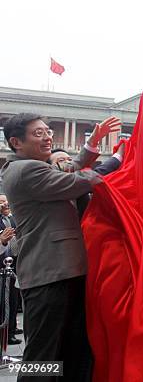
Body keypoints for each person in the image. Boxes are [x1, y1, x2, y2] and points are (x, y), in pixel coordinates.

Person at [1, 113, 120, 382]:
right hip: (49, 274)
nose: (48, 137)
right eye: (38, 134)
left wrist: (93, 143)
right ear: (16, 142)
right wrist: (120, 159)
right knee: (43, 355)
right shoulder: (26, 170)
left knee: (71, 348)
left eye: (48, 132)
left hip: (66, 271)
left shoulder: (35, 167)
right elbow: (78, 181)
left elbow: (72, 167)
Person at [0, 194, 21, 344]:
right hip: (2, 270)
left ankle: (11, 329)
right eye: (1, 202)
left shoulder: (12, 219)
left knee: (13, 300)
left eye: (6, 201)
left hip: (13, 266)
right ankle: (5, 334)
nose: (5, 204)